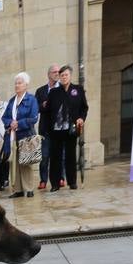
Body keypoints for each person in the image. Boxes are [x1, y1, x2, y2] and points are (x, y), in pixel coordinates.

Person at [47, 63, 88, 192]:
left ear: (70, 76)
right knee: (55, 157)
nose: (64, 77)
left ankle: (72, 182)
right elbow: (48, 110)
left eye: (66, 75)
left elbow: (84, 107)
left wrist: (82, 118)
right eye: (62, 75)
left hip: (72, 128)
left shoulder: (78, 89)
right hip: (56, 129)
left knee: (70, 156)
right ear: (59, 77)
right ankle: (55, 183)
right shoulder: (54, 92)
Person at [3, 71, 40, 198]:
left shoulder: (32, 99)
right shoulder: (12, 101)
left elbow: (34, 118)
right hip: (13, 137)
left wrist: (18, 123)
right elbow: (4, 117)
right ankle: (18, 190)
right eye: (16, 83)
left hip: (26, 135)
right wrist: (10, 123)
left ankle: (29, 188)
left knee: (26, 162)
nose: (17, 85)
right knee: (15, 163)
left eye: (19, 83)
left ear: (26, 85)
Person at [34, 64, 60, 189]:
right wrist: (43, 105)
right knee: (44, 156)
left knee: (60, 155)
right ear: (49, 74)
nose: (57, 74)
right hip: (45, 129)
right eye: (54, 72)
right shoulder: (40, 91)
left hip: (59, 128)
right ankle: (43, 180)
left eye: (58, 72)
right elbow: (35, 109)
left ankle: (60, 178)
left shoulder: (62, 89)